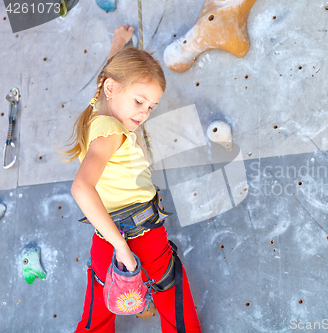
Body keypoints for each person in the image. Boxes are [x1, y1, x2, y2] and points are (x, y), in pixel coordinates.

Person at [61, 24, 202, 332]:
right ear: (112, 89)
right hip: (143, 238)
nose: (144, 113)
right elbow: (80, 187)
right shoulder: (111, 134)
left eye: (151, 107)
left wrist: (118, 43)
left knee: (100, 295)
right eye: (139, 102)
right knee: (171, 290)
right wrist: (124, 249)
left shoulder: (97, 106)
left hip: (104, 237)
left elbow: (108, 76)